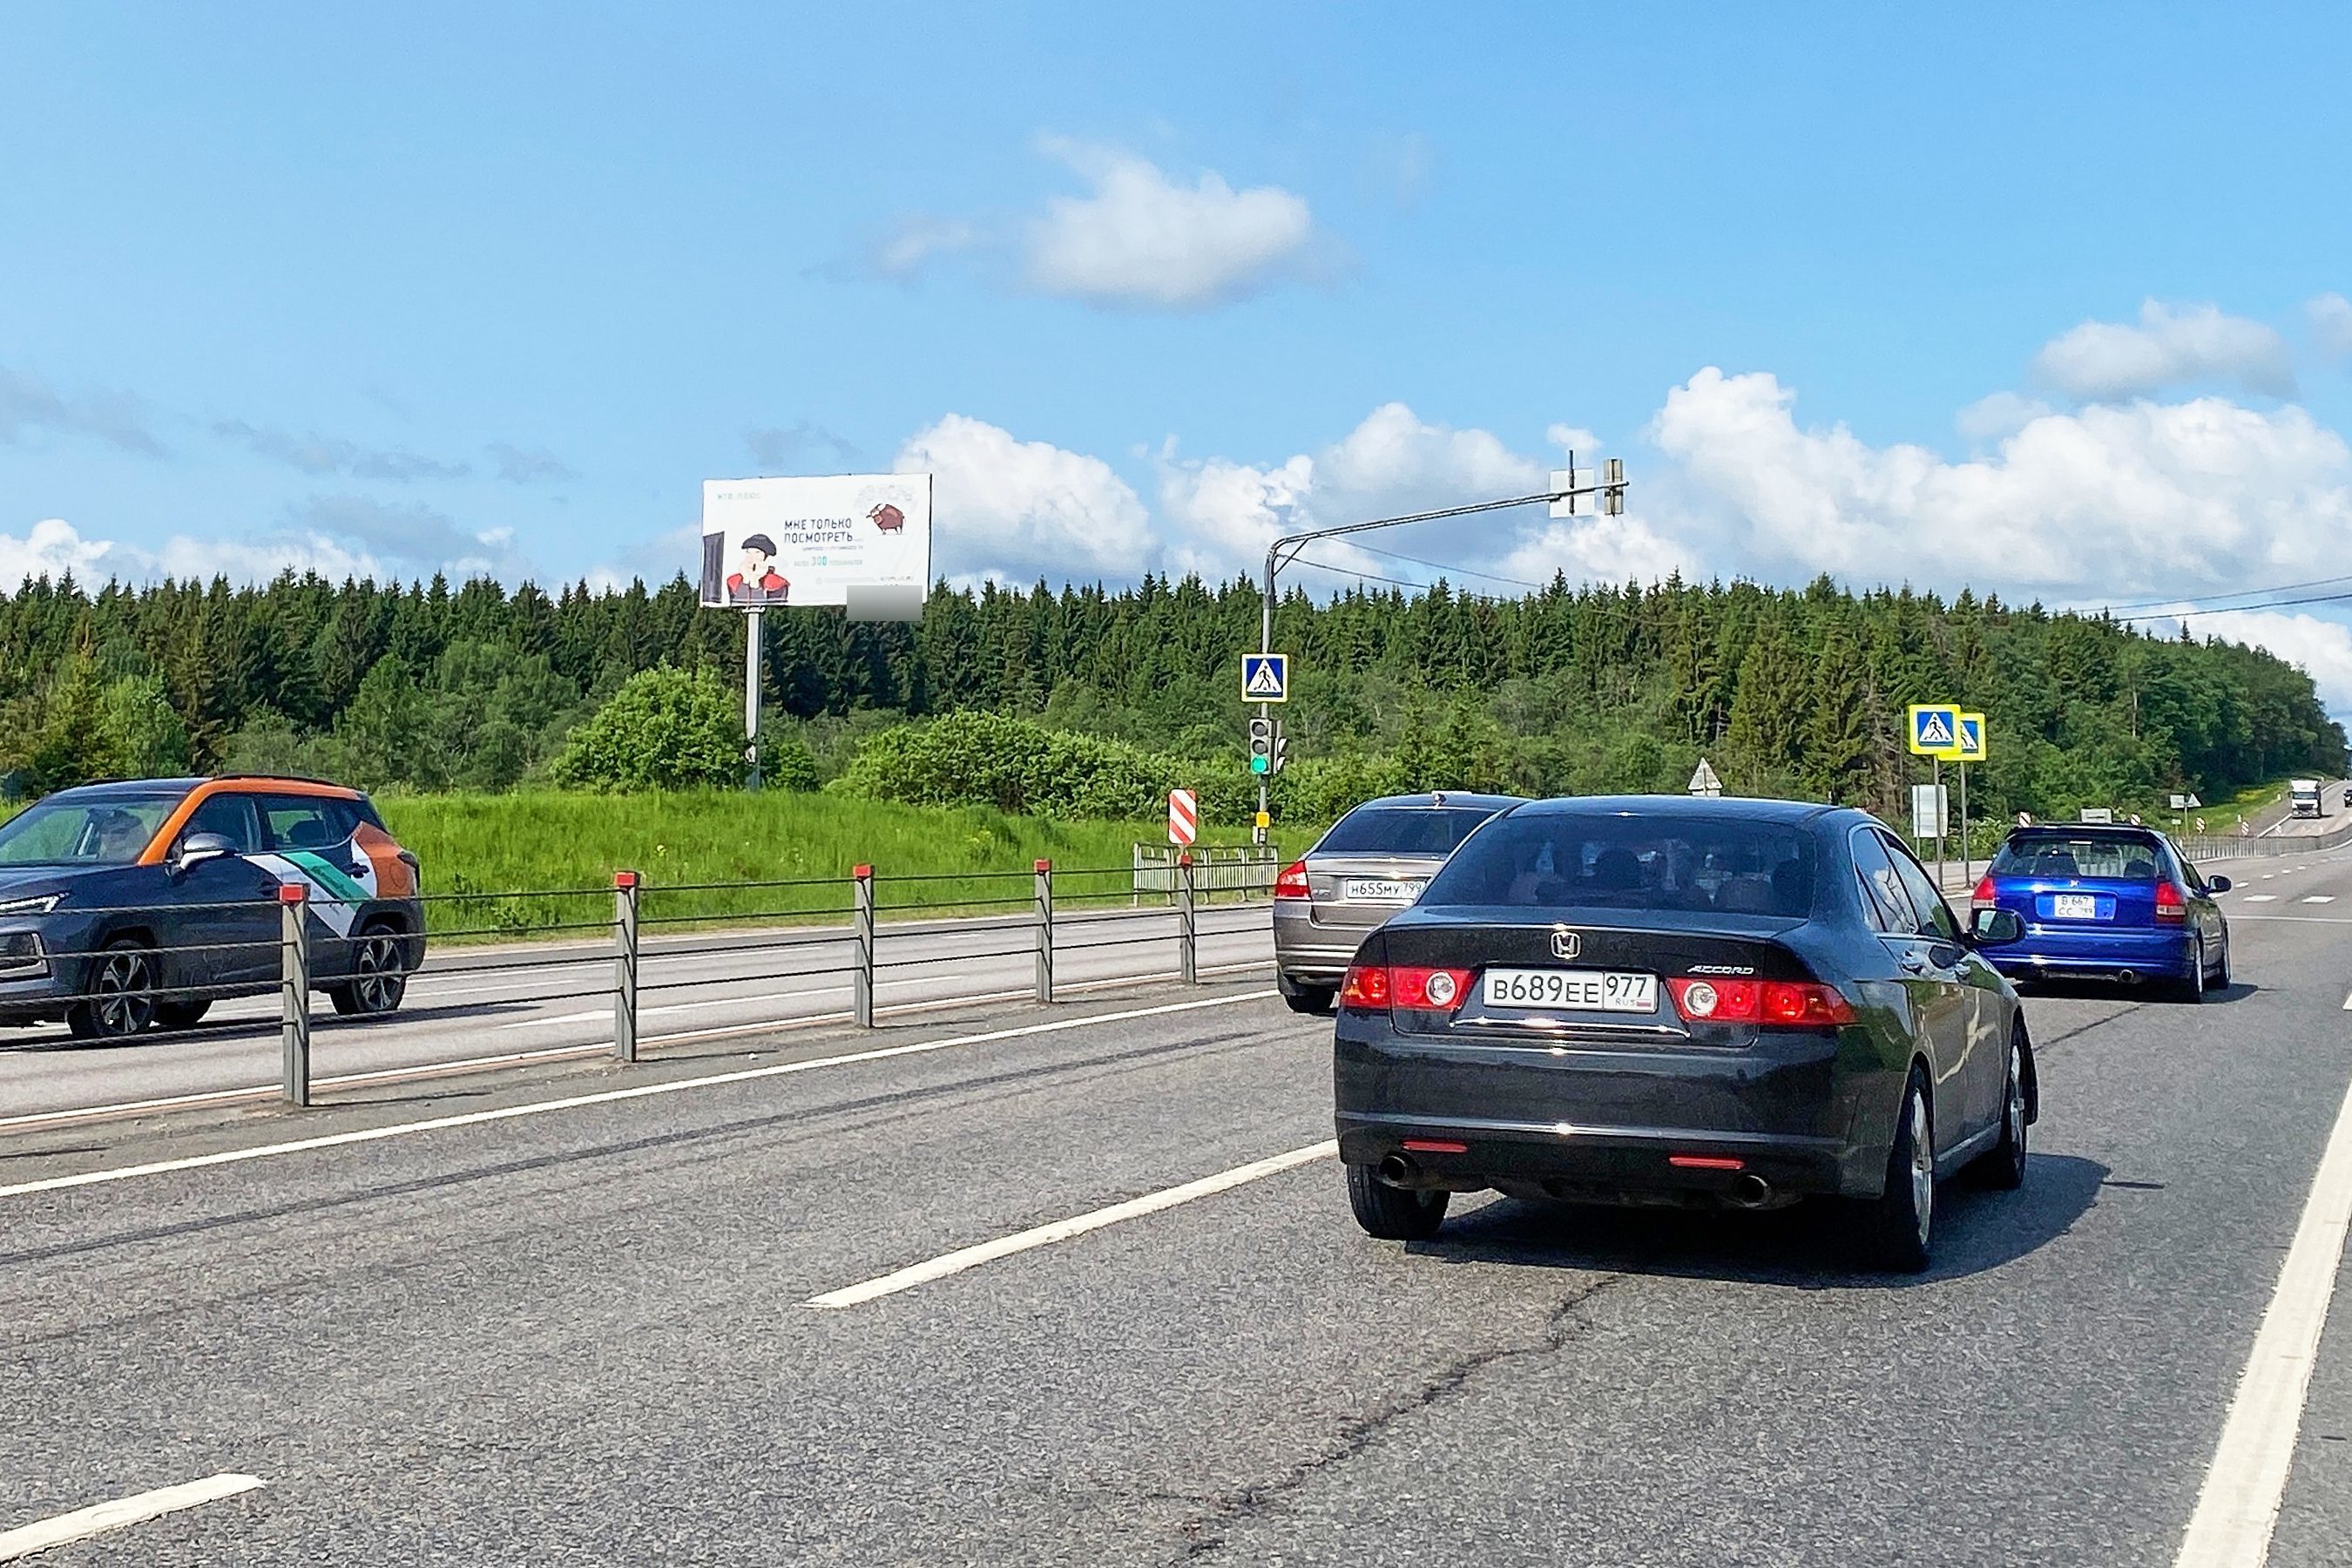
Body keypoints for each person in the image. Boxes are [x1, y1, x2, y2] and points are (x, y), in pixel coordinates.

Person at [726, 535, 789, 603]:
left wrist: (755, 582)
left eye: (757, 553)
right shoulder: (733, 581)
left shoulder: (777, 583)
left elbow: (771, 611)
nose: (751, 558)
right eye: (748, 553)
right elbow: (736, 608)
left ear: (765, 556)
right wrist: (745, 580)